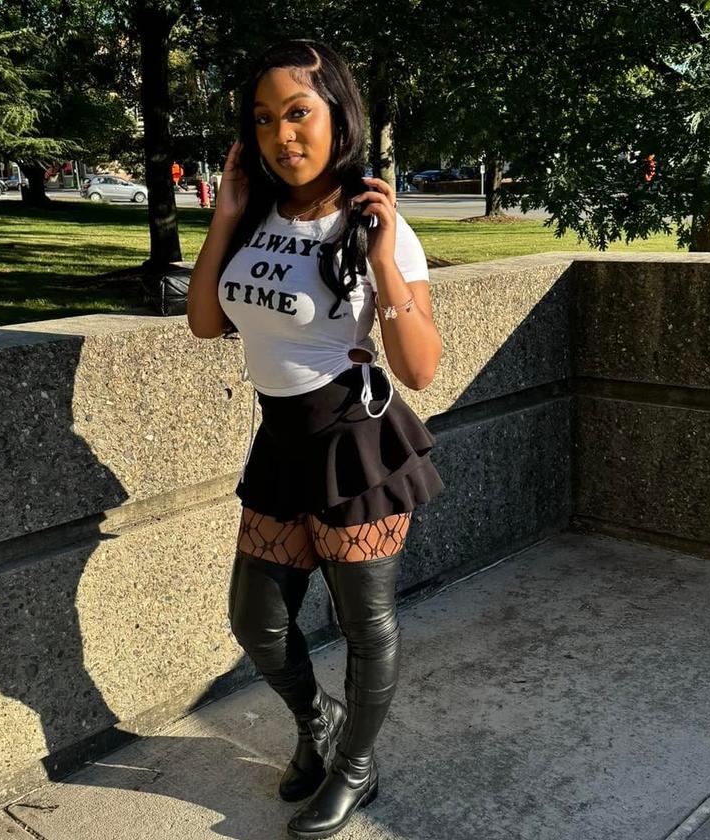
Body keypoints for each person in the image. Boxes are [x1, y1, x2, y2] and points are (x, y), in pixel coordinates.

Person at [186, 39, 443, 840]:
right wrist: (225, 217)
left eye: (297, 113)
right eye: (263, 119)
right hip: (280, 442)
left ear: (338, 115)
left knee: (365, 625)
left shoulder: (375, 223)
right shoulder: (256, 214)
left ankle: (355, 770)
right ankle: (319, 726)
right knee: (255, 620)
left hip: (353, 442)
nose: (281, 134)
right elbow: (205, 321)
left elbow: (420, 368)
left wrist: (383, 260)